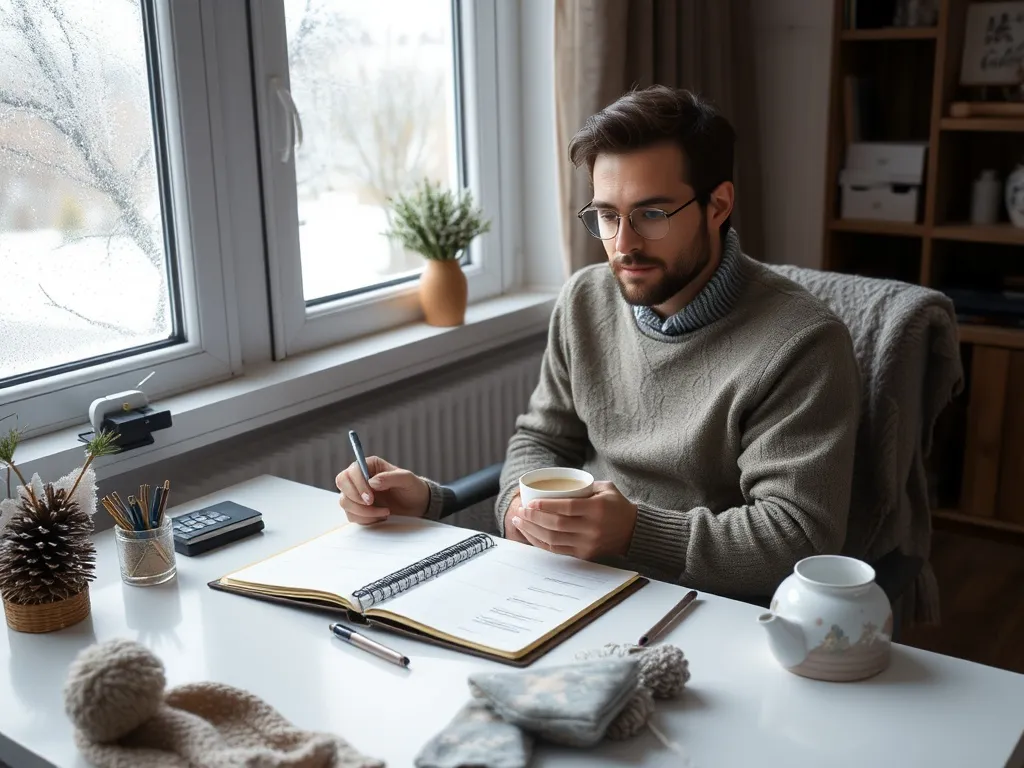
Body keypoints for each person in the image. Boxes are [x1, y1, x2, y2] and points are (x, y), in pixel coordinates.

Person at [336, 85, 860, 599]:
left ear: (718, 205)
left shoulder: (802, 343)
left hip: (699, 607)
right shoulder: (585, 299)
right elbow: (543, 440)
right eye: (607, 215)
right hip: (564, 584)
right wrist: (511, 506)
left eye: (652, 214)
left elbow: (798, 538)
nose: (623, 244)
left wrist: (635, 532)